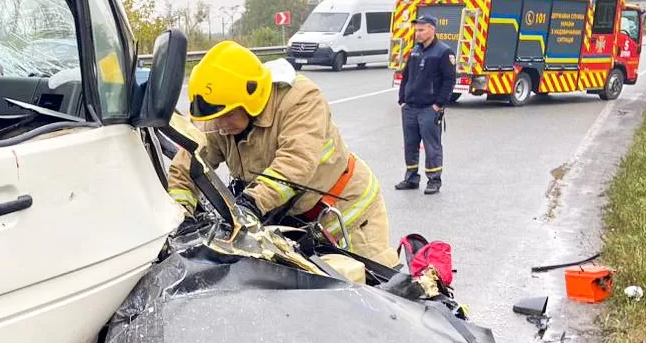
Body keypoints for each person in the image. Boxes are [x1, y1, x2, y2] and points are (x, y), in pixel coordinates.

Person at [166, 41, 396, 268]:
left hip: (347, 215)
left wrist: (250, 204)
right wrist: (179, 217)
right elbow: (187, 164)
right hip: (291, 219)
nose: (221, 126)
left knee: (365, 288)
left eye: (228, 116)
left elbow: (295, 163)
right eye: (215, 119)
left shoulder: (300, 100)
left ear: (251, 101)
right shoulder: (221, 114)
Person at [396, 15, 456, 195]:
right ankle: (411, 178)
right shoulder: (415, 50)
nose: (418, 33)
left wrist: (438, 105)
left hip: (429, 108)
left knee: (432, 146)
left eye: (421, 30)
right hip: (410, 108)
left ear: (432, 29)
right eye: (417, 30)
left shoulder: (443, 52)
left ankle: (434, 180)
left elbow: (449, 81)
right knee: (410, 145)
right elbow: (406, 76)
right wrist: (402, 99)